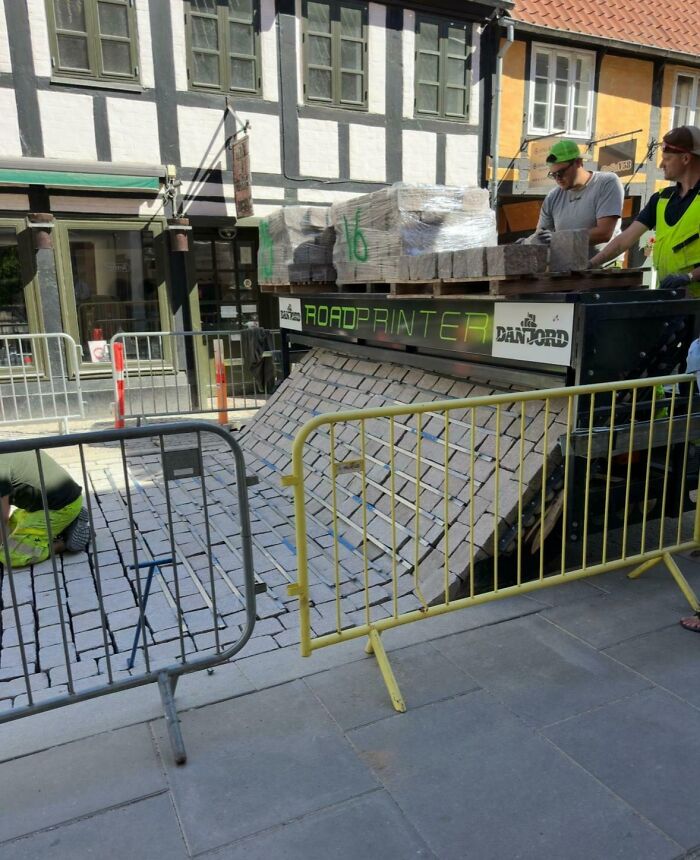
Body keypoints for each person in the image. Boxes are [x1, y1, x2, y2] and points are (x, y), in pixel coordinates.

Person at [589, 125, 700, 292]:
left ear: (685, 158)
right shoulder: (661, 198)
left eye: (667, 158)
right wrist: (591, 264)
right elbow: (623, 241)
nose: (661, 164)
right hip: (670, 298)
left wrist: (690, 277)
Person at [522, 139, 624, 257]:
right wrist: (526, 243)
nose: (558, 179)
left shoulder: (607, 182)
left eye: (561, 172)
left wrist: (559, 239)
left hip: (605, 268)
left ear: (578, 162)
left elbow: (604, 233)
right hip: (569, 267)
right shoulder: (553, 197)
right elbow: (542, 236)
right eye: (553, 175)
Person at [0, 451, 90, 569]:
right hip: (44, 504)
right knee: (10, 533)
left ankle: (64, 542)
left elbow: (2, 519)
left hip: (60, 507)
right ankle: (67, 524)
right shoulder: (5, 448)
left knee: (10, 555)